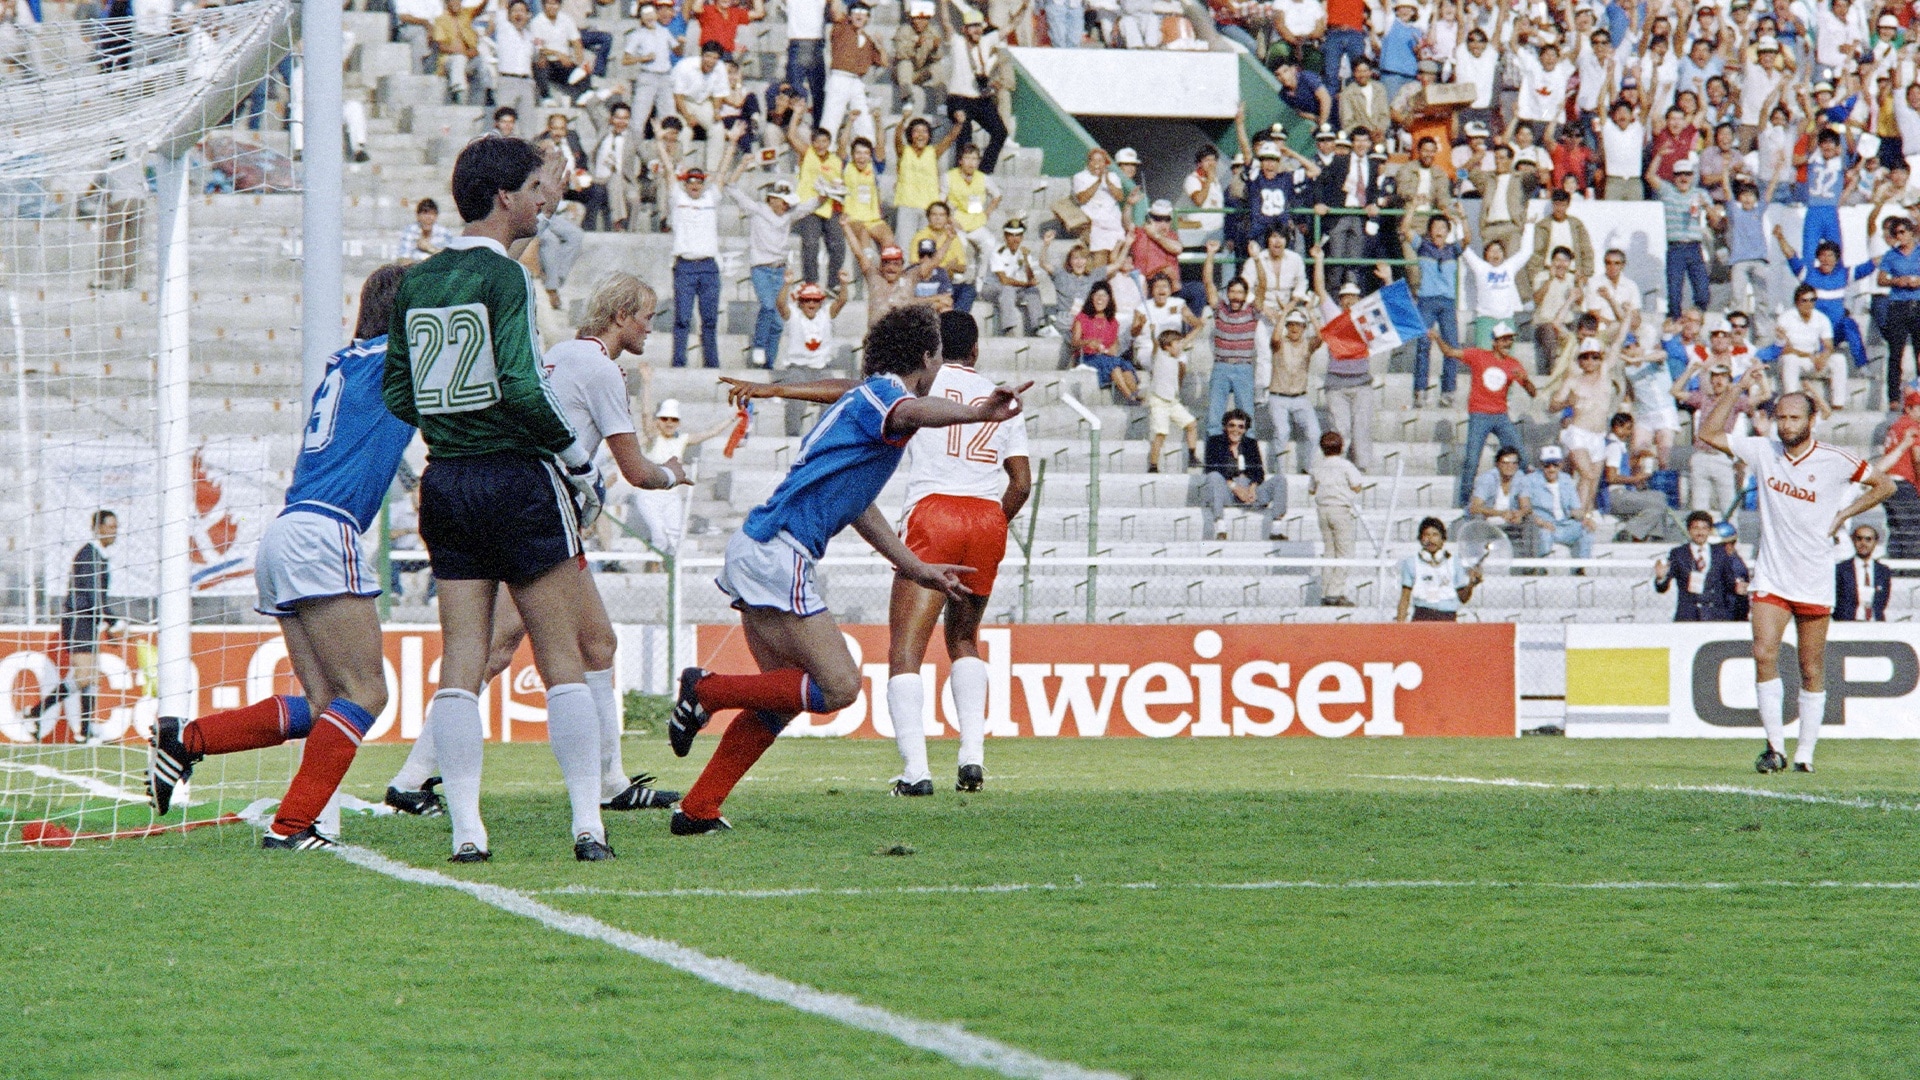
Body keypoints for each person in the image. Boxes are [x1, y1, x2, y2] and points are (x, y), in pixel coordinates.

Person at [663, 305, 1027, 833]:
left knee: (780, 696)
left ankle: (698, 808)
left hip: (761, 545)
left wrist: (916, 567)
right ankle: (706, 690)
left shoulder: (867, 398)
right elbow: (910, 414)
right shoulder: (887, 399)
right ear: (927, 356)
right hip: (778, 551)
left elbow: (858, 505)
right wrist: (978, 414)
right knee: (839, 688)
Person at [381, 137, 618, 863]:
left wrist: (452, 421)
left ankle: (466, 831)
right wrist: (578, 459)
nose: (545, 201)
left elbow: (396, 390)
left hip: (446, 480)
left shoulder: (415, 281)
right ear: (504, 197)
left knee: (461, 658)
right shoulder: (507, 277)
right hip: (516, 477)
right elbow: (522, 384)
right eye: (535, 189)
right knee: (559, 657)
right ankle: (588, 826)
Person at [387, 273, 690, 821]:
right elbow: (636, 471)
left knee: (598, 644)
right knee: (501, 646)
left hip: (532, 508)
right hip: (539, 515)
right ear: (621, 315)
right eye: (646, 315)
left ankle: (610, 779)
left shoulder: (561, 355)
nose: (651, 326)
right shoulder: (600, 369)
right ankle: (412, 778)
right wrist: (673, 473)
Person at [146, 265, 414, 848]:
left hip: (287, 530)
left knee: (325, 704)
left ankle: (187, 739)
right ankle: (292, 825)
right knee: (367, 693)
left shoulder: (349, 363)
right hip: (326, 530)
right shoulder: (398, 362)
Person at [1700, 378, 1896, 771]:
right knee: (1763, 653)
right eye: (1781, 418)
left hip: (1813, 576)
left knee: (1810, 666)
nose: (1787, 425)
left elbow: (1885, 484)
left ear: (1810, 421)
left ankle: (1805, 752)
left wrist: (1845, 513)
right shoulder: (1762, 451)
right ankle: (1775, 747)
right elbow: (1708, 432)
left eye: (1794, 418)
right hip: (1772, 575)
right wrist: (1734, 390)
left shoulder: (1835, 459)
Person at [26, 511, 120, 740]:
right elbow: (92, 596)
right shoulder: (88, 555)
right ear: (97, 528)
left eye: (116, 527)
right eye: (110, 527)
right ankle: (36, 711)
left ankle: (86, 730)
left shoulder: (97, 555)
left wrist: (105, 622)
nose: (114, 532)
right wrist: (113, 621)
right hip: (79, 621)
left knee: (90, 676)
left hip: (88, 620)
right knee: (84, 677)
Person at [1428, 322, 1536, 507]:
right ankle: (1464, 503)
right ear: (1494, 342)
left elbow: (1533, 393)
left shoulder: (1513, 364)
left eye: (1509, 340)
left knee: (1522, 458)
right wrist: (1438, 338)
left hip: (1500, 415)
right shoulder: (1478, 355)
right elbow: (1450, 353)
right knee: (1471, 460)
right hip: (1479, 414)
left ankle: (1531, 499)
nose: (1507, 344)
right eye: (1503, 340)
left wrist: (1525, 381)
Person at [658, 121, 739, 369]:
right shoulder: (678, 197)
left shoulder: (711, 198)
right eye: (690, 182)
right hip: (684, 266)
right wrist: (660, 142)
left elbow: (723, 172)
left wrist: (732, 142)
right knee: (682, 318)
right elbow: (668, 171)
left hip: (708, 267)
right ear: (685, 184)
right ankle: (679, 363)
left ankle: (711, 364)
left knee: (710, 320)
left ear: (703, 184)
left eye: (698, 182)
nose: (694, 186)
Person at [728, 172, 822, 368]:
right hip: (761, 269)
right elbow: (733, 190)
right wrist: (744, 167)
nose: (785, 206)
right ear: (772, 198)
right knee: (768, 306)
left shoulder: (788, 216)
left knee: (779, 322)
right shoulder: (757, 210)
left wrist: (825, 195)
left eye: (788, 203)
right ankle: (759, 347)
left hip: (779, 270)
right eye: (783, 202)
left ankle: (768, 363)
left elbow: (809, 206)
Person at [1671, 358, 1750, 515]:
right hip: (1701, 455)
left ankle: (1731, 538)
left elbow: (1763, 396)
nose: (1718, 381)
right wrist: (1690, 371)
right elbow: (1675, 391)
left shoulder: (1735, 401)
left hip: (1722, 457)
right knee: (1699, 510)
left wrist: (1760, 380)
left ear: (1729, 380)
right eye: (1714, 376)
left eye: (1722, 377)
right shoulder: (1704, 398)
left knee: (1728, 508)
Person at [1201, 240, 1261, 435]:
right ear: (1227, 294)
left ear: (1245, 295)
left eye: (1240, 292)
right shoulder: (1220, 309)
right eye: (1232, 291)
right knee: (1214, 419)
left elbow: (1263, 287)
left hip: (1243, 367)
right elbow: (1208, 282)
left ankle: (1248, 460)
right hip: (1221, 366)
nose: (1236, 296)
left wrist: (1257, 259)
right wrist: (1210, 254)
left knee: (1247, 419)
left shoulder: (1252, 312)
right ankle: (1215, 461)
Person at [1201, 409, 1285, 540]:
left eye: (1241, 426)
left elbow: (1259, 471)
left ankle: (1276, 529)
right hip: (1227, 491)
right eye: (1232, 425)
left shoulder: (1250, 443)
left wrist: (1252, 487)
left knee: (1280, 479)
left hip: (1249, 492)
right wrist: (1235, 487)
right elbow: (1212, 467)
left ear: (1245, 429)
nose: (1236, 430)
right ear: (1225, 426)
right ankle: (1221, 528)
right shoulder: (1214, 442)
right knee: (1213, 477)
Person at [1653, 510, 1750, 621]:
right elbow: (1662, 588)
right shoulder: (1678, 554)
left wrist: (1737, 588)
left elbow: (1729, 583)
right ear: (1689, 530)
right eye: (1696, 528)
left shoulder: (1720, 553)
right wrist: (1661, 578)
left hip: (1716, 617)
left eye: (1704, 528)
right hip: (1688, 617)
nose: (1700, 532)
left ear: (1709, 531)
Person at [1309, 429, 1364, 606]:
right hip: (1339, 509)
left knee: (1329, 551)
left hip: (1322, 510)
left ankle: (1326, 591)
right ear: (1341, 448)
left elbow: (1312, 489)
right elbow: (1357, 486)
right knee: (1345, 552)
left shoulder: (1317, 466)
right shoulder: (1345, 465)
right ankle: (1335, 591)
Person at [1600, 412, 1674, 540]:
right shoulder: (1613, 447)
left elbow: (1622, 467)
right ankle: (1631, 532)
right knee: (1659, 504)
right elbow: (1611, 477)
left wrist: (1638, 458)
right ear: (1617, 427)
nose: (1629, 433)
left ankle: (1653, 536)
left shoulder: (1618, 446)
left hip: (1623, 493)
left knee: (1659, 497)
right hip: (1615, 496)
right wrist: (1636, 479)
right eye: (1628, 428)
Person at [1775, 284, 1848, 411]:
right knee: (1789, 359)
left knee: (1839, 359)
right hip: (1795, 359)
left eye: (1812, 300)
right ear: (1797, 302)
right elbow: (1784, 349)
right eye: (1804, 300)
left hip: (1813, 361)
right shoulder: (1785, 318)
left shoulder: (1821, 318)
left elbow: (1828, 346)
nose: (1809, 304)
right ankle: (1791, 402)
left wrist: (1823, 358)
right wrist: (1809, 356)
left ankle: (1838, 404)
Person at [1396, 516, 1482, 622]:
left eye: (1435, 535)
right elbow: (1405, 598)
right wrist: (1400, 626)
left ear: (1443, 539)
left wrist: (1471, 585)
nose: (1431, 539)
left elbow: (1463, 598)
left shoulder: (1454, 562)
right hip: (1422, 617)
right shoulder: (1411, 563)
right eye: (1427, 535)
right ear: (1421, 539)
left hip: (1447, 618)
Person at [1266, 308, 1319, 471]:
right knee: (1282, 431)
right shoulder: (1279, 343)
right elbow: (1275, 337)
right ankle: (1279, 470)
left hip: (1300, 398)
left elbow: (1322, 336)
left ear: (1304, 327)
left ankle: (1308, 468)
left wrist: (1310, 313)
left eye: (1299, 325)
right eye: (1291, 325)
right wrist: (1285, 312)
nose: (1294, 328)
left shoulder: (1308, 344)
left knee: (1314, 432)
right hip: (1278, 397)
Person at [1072, 280, 1140, 404]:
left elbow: (1114, 347)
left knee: (1124, 366)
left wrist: (1109, 350)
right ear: (1091, 298)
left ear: (1109, 299)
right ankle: (1130, 397)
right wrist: (1088, 342)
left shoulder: (1113, 322)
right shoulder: (1082, 317)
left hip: (1106, 357)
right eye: (1097, 295)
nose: (1100, 299)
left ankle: (1136, 395)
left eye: (1104, 295)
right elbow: (1074, 342)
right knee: (1113, 365)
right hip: (1087, 358)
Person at [1144, 328, 1201, 474]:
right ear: (1167, 346)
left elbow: (1187, 340)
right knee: (1161, 433)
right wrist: (1152, 333)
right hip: (1159, 402)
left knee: (1191, 424)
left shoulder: (1178, 358)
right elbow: (1156, 345)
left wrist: (1199, 326)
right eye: (1177, 344)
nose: (1180, 347)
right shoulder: (1159, 356)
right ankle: (1153, 465)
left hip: (1173, 402)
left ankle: (1192, 456)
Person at [1525, 445, 1594, 561]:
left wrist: (1586, 518)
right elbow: (1526, 508)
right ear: (1542, 465)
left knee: (1586, 530)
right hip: (1544, 525)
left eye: (1555, 464)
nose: (1551, 469)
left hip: (1564, 524)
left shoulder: (1566, 479)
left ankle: (1580, 568)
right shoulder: (1530, 480)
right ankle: (1542, 570)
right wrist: (1541, 522)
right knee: (1544, 534)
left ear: (1561, 465)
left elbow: (1575, 508)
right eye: (1547, 465)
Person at [982, 218, 1045, 336]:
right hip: (991, 289)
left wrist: (1026, 259)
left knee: (1033, 291)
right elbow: (1004, 280)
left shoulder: (1023, 252)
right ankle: (1008, 328)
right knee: (1008, 289)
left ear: (1022, 237)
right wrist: (1026, 284)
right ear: (1005, 236)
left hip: (1012, 289)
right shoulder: (998, 252)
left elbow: (1030, 279)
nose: (1015, 239)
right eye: (1011, 235)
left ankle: (1038, 326)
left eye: (1018, 235)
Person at [1879, 389, 1920, 567]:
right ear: (1910, 408)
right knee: (1912, 532)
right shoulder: (1912, 426)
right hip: (1903, 483)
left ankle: (1895, 570)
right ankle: (1911, 572)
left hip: (1888, 483)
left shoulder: (1896, 425)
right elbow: (1917, 459)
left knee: (1897, 530)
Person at [1468, 445, 1532, 548]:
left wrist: (1519, 513)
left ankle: (1530, 559)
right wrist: (1501, 513)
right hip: (1488, 522)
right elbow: (1474, 507)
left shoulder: (1520, 477)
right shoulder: (1488, 479)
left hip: (1510, 522)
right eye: (1505, 463)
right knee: (1478, 518)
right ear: (1498, 464)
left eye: (1514, 463)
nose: (1510, 466)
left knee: (1530, 519)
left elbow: (1526, 506)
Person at [1835, 524, 1891, 622]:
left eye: (1868, 539)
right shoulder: (1841, 570)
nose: (1863, 543)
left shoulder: (1883, 571)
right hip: (1847, 626)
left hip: (1876, 625)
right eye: (1859, 539)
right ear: (1853, 540)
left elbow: (1882, 602)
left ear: (1875, 542)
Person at [400, 197, 453, 262]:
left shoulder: (444, 233)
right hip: (415, 269)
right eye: (425, 213)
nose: (428, 218)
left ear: (436, 216)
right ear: (418, 216)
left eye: (432, 214)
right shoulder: (411, 231)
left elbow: (450, 259)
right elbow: (403, 259)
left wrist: (429, 248)